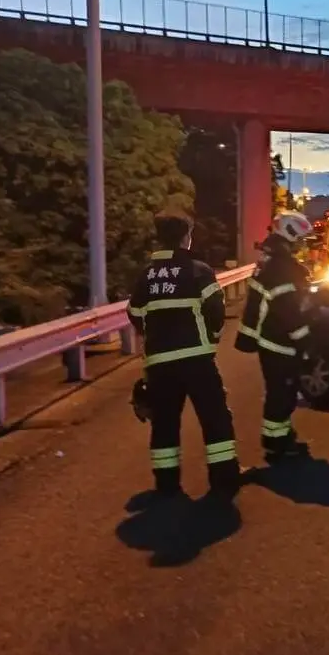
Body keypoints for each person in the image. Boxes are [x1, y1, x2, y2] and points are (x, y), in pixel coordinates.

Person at [126, 211, 241, 498]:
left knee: (164, 423)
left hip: (160, 363)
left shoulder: (146, 275)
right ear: (185, 238)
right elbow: (215, 308)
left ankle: (166, 485)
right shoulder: (198, 270)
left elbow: (135, 313)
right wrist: (211, 340)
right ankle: (224, 481)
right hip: (197, 359)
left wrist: (156, 337)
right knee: (214, 418)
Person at [235, 211, 314, 460]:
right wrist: (306, 341)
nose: (302, 244)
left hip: (270, 340)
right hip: (279, 343)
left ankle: (280, 436)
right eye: (300, 239)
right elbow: (288, 311)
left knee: (280, 392)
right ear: (289, 235)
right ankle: (276, 444)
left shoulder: (271, 261)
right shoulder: (281, 268)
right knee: (282, 394)